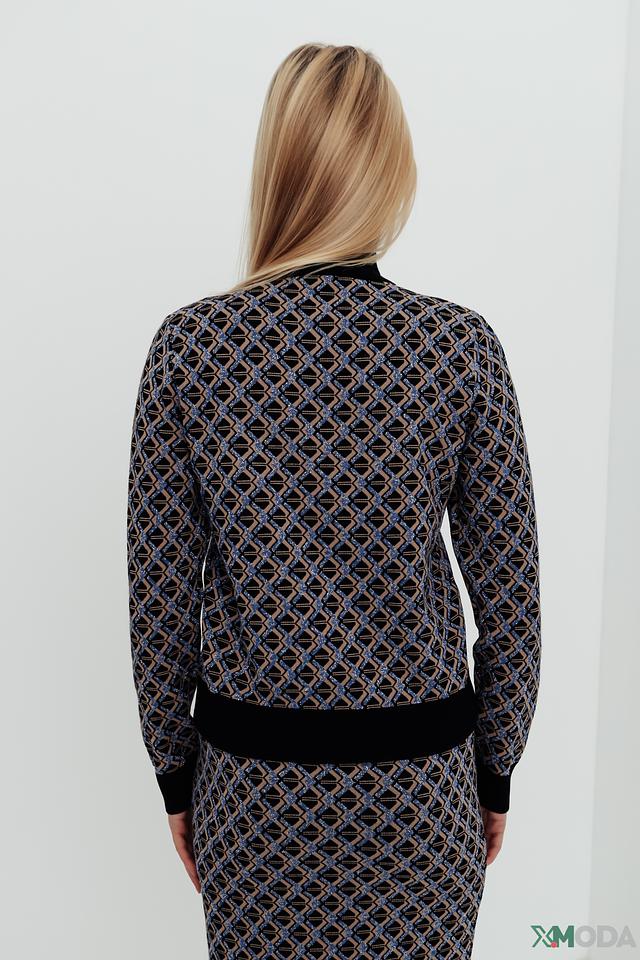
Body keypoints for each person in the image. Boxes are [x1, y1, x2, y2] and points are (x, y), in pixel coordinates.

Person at [126, 42, 542, 959]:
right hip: (420, 798)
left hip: (254, 800)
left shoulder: (188, 351)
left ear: (278, 167)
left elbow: (159, 602)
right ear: (389, 170)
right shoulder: (461, 349)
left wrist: (176, 777)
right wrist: (494, 769)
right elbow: (512, 598)